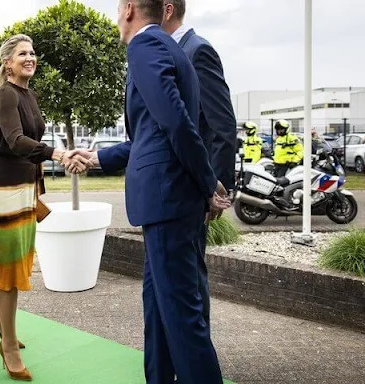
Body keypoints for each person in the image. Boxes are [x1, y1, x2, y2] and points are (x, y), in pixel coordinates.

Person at [73, 1, 230, 383]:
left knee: (181, 319)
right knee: (158, 311)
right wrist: (98, 158)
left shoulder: (146, 46)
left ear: (129, 9)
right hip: (169, 203)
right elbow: (154, 134)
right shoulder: (170, 47)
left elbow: (177, 123)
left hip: (169, 203)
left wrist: (209, 184)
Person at [0, 34, 87, 381]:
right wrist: (57, 153)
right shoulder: (5, 94)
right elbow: (14, 141)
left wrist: (58, 154)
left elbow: (31, 140)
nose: (30, 57)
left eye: (32, 52)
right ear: (8, 63)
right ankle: (7, 344)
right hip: (3, 189)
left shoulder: (27, 93)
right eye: (23, 53)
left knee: (19, 262)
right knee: (9, 271)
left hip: (23, 187)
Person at [161, 0, 236, 330]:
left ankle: (196, 356)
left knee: (191, 280)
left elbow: (221, 125)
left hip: (196, 190)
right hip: (177, 188)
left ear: (166, 9)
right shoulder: (173, 53)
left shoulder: (197, 51)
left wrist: (214, 187)